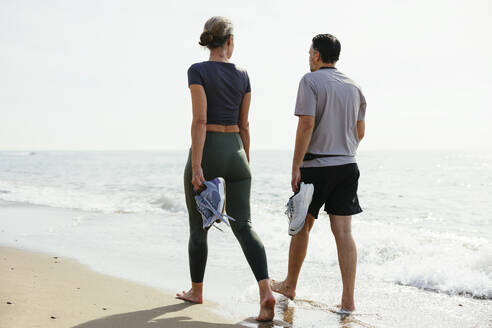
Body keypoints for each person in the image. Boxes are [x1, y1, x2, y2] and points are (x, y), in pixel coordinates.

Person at [176, 16, 275, 321]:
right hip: (236, 150)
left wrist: (196, 166)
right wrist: (244, 160)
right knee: (243, 226)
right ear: (230, 41)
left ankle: (196, 290)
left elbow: (200, 121)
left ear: (211, 41)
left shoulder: (198, 71)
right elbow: (245, 124)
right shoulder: (244, 75)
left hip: (209, 150)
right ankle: (266, 292)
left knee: (198, 227)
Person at [271, 34, 366, 313]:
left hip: (315, 166)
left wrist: (296, 165)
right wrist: (342, 150)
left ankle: (290, 285)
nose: (307, 56)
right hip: (348, 165)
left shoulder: (310, 81)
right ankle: (348, 301)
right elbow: (360, 132)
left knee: (302, 226)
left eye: (309, 52)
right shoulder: (354, 86)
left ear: (316, 55)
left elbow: (306, 125)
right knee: (344, 232)